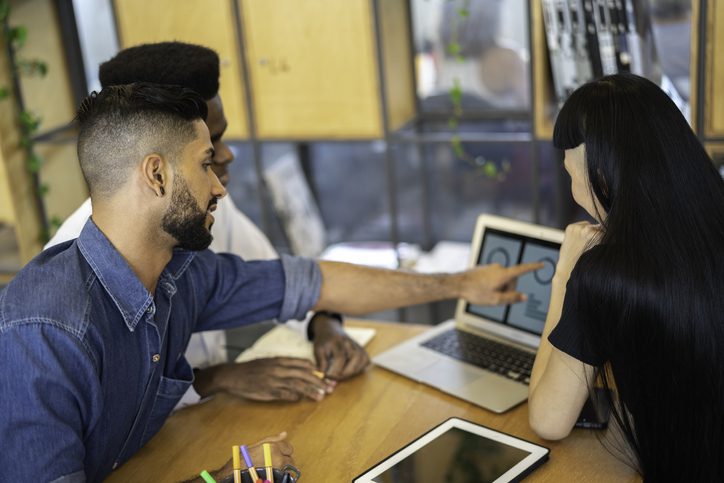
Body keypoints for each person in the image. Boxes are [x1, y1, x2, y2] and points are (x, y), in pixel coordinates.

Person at [0, 83, 542, 482]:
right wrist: (229, 477)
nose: (220, 186)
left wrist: (462, 284)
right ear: (157, 175)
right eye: (205, 164)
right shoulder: (45, 331)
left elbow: (318, 282)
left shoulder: (179, 274)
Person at [45, 41, 367, 405]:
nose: (227, 155)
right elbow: (106, 410)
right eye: (210, 147)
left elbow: (275, 279)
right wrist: (215, 378)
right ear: (155, 168)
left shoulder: (209, 206)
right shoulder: (70, 262)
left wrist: (323, 324)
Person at [527, 74, 724, 480]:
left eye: (572, 176)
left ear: (602, 173)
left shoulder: (609, 274)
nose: (575, 195)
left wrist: (566, 273)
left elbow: (548, 419)